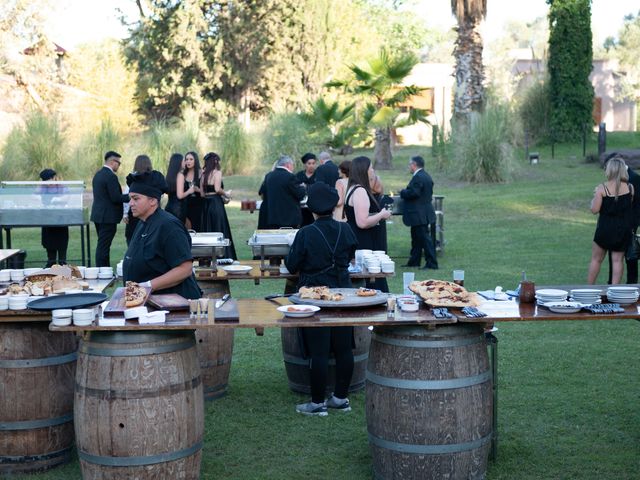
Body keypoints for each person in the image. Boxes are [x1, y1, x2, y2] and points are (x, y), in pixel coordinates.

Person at [285, 182, 359, 416]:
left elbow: (292, 264)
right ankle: (340, 398)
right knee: (344, 348)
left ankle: (317, 403)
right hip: (343, 294)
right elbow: (350, 255)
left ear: (313, 209)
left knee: (318, 351)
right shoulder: (346, 229)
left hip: (314, 294)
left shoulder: (305, 233)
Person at [123, 170, 201, 299]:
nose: (130, 203)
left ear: (153, 200)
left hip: (175, 305)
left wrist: (148, 286)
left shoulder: (169, 226)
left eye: (135, 198)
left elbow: (185, 268)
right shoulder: (142, 222)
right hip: (148, 302)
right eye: (130, 198)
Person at [344, 156, 392, 292]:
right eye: (371, 167)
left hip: (358, 238)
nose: (373, 170)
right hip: (362, 240)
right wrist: (381, 215)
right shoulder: (360, 191)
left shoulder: (353, 188)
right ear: (364, 170)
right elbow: (362, 222)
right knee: (370, 277)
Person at [587, 156, 634, 284]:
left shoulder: (602, 188)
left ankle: (589, 288)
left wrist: (595, 196)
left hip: (605, 228)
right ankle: (614, 291)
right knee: (618, 261)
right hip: (623, 229)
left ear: (610, 170)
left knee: (596, 259)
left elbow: (594, 210)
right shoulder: (630, 188)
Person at [90, 151, 129, 267]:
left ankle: (103, 268)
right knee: (104, 246)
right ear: (112, 162)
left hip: (98, 215)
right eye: (119, 163)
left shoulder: (98, 174)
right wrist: (131, 196)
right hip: (108, 216)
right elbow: (115, 197)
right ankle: (102, 269)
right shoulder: (111, 176)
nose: (119, 166)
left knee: (103, 244)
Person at [400, 155, 438, 270]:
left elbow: (415, 193)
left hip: (419, 213)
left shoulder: (418, 177)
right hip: (422, 213)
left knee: (424, 239)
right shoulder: (426, 176)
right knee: (416, 239)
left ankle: (431, 263)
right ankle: (414, 261)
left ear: (414, 165)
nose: (409, 167)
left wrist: (403, 192)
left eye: (410, 165)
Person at [200, 152, 237, 260]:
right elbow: (217, 189)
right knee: (219, 227)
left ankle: (208, 257)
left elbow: (202, 194)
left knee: (208, 229)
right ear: (215, 161)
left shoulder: (203, 174)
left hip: (206, 204)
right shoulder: (217, 173)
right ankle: (223, 255)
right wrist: (226, 194)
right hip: (215, 204)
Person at [262, 156, 306, 229]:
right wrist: (303, 187)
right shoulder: (290, 177)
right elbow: (300, 194)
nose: (293, 168)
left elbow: (263, 193)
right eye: (292, 165)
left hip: (273, 217)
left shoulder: (269, 176)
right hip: (289, 218)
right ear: (288, 165)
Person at [39, 169, 69, 267]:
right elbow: (34, 196)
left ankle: (62, 263)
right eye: (45, 181)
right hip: (47, 219)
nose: (48, 183)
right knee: (49, 243)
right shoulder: (42, 187)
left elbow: (67, 197)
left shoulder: (61, 186)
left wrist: (57, 200)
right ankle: (50, 262)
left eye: (50, 179)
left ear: (54, 178)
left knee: (62, 243)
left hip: (60, 219)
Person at [124, 154, 153, 245]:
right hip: (149, 211)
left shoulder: (132, 178)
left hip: (134, 213)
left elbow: (127, 195)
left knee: (132, 238)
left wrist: (125, 213)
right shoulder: (153, 178)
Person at [179, 151, 203, 231]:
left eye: (191, 159)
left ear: (195, 160)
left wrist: (198, 190)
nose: (188, 161)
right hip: (186, 206)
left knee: (198, 229)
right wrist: (189, 191)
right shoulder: (183, 174)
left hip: (199, 206)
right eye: (187, 159)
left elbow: (206, 193)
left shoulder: (201, 173)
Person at [296, 152, 317, 226]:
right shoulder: (299, 175)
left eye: (313, 163)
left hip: (315, 207)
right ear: (305, 164)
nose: (311, 166)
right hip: (302, 207)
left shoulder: (318, 174)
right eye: (309, 163)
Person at [165, 153, 186, 222]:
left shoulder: (169, 176)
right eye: (183, 160)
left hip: (169, 207)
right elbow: (180, 196)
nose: (185, 162)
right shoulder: (180, 175)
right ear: (179, 162)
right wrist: (191, 190)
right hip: (178, 208)